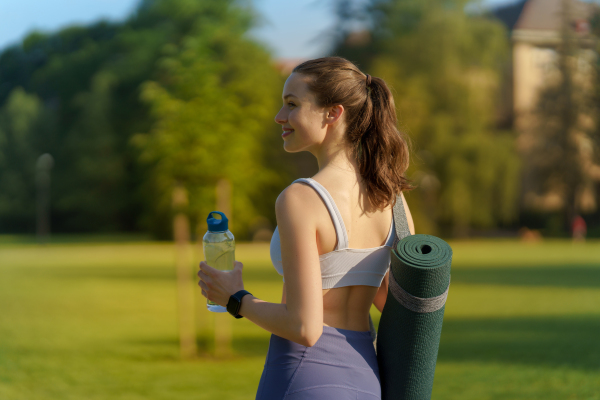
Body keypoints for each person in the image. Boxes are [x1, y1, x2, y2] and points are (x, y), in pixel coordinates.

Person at [197, 56, 415, 400]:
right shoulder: (393, 200)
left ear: (333, 113)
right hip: (366, 380)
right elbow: (395, 306)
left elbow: (305, 328)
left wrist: (235, 298)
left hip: (303, 376)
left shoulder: (300, 198)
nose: (279, 116)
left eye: (292, 104)